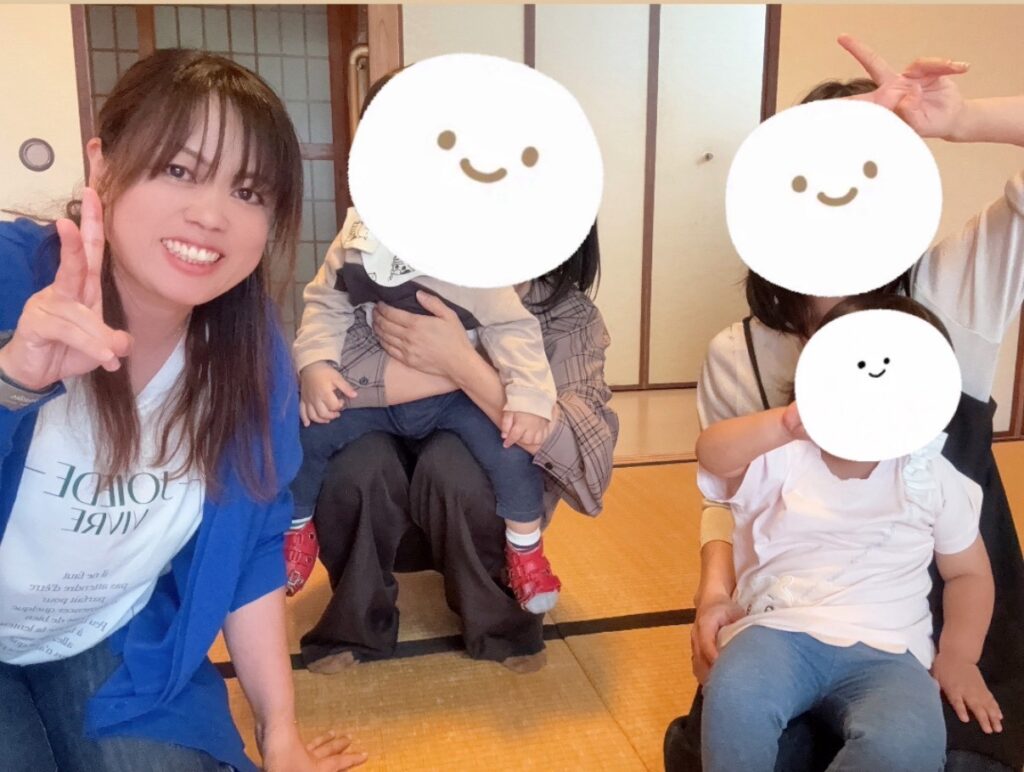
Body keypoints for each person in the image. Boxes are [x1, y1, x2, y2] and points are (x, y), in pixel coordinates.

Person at [666, 35, 1024, 772]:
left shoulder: (956, 287)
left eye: (867, 167)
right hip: (791, 600)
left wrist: (960, 120)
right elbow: (723, 495)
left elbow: (968, 577)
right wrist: (713, 592)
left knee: (947, 754)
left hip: (936, 596)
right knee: (737, 728)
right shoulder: (741, 350)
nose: (840, 192)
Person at [0, 50, 365, 772]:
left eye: (249, 191)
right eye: (179, 169)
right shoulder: (13, 277)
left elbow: (253, 543)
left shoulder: (250, 352)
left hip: (112, 635)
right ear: (103, 165)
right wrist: (13, 382)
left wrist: (280, 734)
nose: (211, 215)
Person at [298, 221, 618, 674]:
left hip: (480, 510)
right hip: (384, 504)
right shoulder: (393, 271)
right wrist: (457, 375)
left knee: (456, 465)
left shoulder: (567, 315)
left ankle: (501, 625)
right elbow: (330, 376)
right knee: (353, 461)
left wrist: (463, 365)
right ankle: (354, 621)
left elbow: (587, 462)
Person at [696, 294, 1000, 772]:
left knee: (908, 742)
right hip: (779, 630)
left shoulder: (930, 475)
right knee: (734, 697)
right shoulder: (783, 454)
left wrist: (960, 655)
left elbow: (969, 573)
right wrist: (784, 424)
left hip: (890, 649)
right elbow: (713, 455)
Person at [288, 204, 562, 613]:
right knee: (309, 428)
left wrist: (530, 398)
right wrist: (315, 364)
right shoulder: (360, 236)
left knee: (512, 450)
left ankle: (525, 549)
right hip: (381, 394)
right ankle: (295, 525)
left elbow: (512, 327)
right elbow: (325, 301)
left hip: (453, 400)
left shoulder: (477, 257)